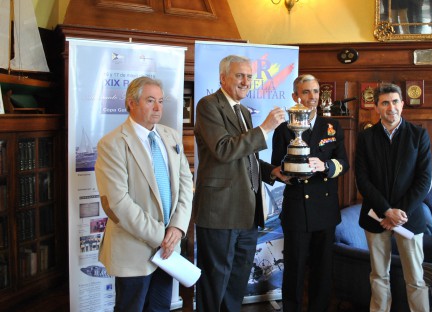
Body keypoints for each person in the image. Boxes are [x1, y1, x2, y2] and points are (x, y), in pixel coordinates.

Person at [193, 55, 287, 311]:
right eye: (239, 76)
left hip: (248, 212)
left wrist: (273, 172)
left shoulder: (243, 110)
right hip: (220, 211)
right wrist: (265, 128)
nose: (246, 81)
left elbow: (247, 157)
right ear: (222, 78)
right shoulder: (208, 105)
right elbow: (223, 150)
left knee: (236, 283)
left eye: (249, 76)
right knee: (215, 282)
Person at [95, 76, 193, 311]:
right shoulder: (112, 144)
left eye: (160, 101)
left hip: (168, 251)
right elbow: (118, 204)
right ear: (131, 103)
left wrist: (177, 228)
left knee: (160, 308)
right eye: (150, 101)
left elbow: (186, 185)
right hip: (134, 251)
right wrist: (162, 237)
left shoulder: (170, 136)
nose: (158, 108)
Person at [271, 74, 350, 311]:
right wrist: (289, 170)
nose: (312, 97)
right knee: (294, 269)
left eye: (316, 92)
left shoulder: (332, 126)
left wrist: (324, 166)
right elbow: (277, 165)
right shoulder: (285, 129)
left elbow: (344, 163)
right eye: (306, 92)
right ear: (295, 96)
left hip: (325, 209)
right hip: (296, 207)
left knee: (322, 270)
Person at [355, 83, 432, 312]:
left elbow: (424, 180)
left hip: (409, 219)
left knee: (416, 278)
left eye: (395, 101)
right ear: (377, 107)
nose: (391, 107)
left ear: (403, 104)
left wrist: (398, 214)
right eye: (385, 103)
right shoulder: (366, 137)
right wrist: (387, 211)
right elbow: (362, 179)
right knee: (378, 275)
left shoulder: (418, 135)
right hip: (376, 217)